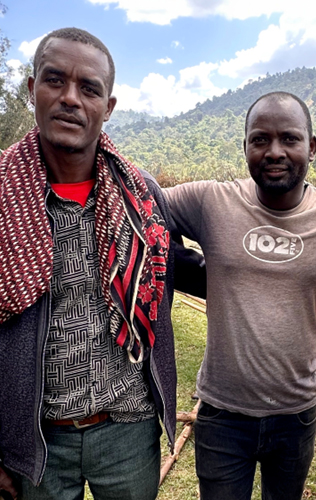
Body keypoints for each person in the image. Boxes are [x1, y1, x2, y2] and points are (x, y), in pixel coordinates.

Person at [0, 27, 204, 500]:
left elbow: (167, 279)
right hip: (36, 439)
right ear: (32, 89)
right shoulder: (5, 194)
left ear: (107, 107)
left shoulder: (141, 196)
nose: (70, 98)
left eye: (89, 89)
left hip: (128, 428)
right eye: (55, 80)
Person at [164, 91, 316, 500]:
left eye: (289, 139)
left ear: (312, 147)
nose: (274, 151)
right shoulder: (211, 202)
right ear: (245, 146)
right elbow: (141, 204)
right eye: (260, 139)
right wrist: (194, 270)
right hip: (222, 412)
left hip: (296, 412)